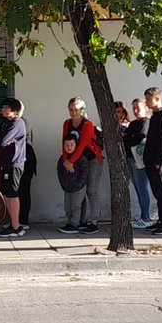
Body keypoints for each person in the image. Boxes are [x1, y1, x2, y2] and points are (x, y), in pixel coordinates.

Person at [62, 97, 102, 233]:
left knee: (91, 190)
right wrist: (66, 160)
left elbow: (82, 145)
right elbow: (64, 142)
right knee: (80, 190)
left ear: (82, 110)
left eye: (77, 110)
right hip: (77, 162)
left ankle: (94, 222)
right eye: (71, 109)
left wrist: (70, 161)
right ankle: (81, 220)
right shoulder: (67, 123)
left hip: (92, 159)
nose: (74, 113)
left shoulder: (87, 124)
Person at [0, 96, 28, 237]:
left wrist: (4, 140)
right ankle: (13, 222)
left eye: (6, 108)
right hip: (5, 162)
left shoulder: (17, 123)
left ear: (15, 110)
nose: (3, 110)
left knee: (12, 193)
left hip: (14, 163)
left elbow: (2, 141)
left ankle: (16, 226)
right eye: (3, 107)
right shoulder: (5, 124)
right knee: (7, 194)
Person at [143, 86, 162, 235]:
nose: (147, 102)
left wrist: (157, 161)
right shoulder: (154, 116)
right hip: (151, 160)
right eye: (146, 99)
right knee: (156, 191)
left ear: (158, 99)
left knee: (161, 191)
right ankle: (160, 221)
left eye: (149, 99)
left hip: (158, 161)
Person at [124, 96, 153, 229]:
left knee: (142, 187)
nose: (135, 111)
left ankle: (146, 217)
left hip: (139, 159)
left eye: (138, 108)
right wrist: (129, 138)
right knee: (137, 187)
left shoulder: (146, 122)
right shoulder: (133, 124)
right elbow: (125, 138)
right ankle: (143, 216)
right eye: (134, 108)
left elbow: (139, 138)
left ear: (145, 108)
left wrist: (129, 138)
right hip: (130, 157)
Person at [57, 125, 91, 233]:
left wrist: (79, 185)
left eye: (71, 144)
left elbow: (84, 173)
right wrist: (63, 184)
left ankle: (75, 224)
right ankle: (70, 222)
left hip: (78, 187)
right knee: (68, 206)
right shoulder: (63, 159)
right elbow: (59, 172)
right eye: (66, 145)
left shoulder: (81, 159)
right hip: (67, 187)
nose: (69, 147)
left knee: (76, 206)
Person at [18, 120, 37, 231]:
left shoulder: (22, 122)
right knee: (17, 192)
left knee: (24, 191)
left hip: (26, 158)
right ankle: (17, 219)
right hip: (21, 157)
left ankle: (23, 220)